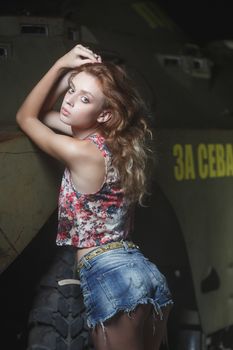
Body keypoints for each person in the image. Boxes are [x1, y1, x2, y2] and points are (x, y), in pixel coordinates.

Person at [16, 44, 173, 350]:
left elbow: (27, 116)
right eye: (71, 91)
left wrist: (61, 65)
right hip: (141, 272)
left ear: (104, 114)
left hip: (113, 279)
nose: (70, 101)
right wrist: (71, 79)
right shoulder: (112, 143)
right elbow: (48, 112)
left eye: (84, 98)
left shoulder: (80, 152)